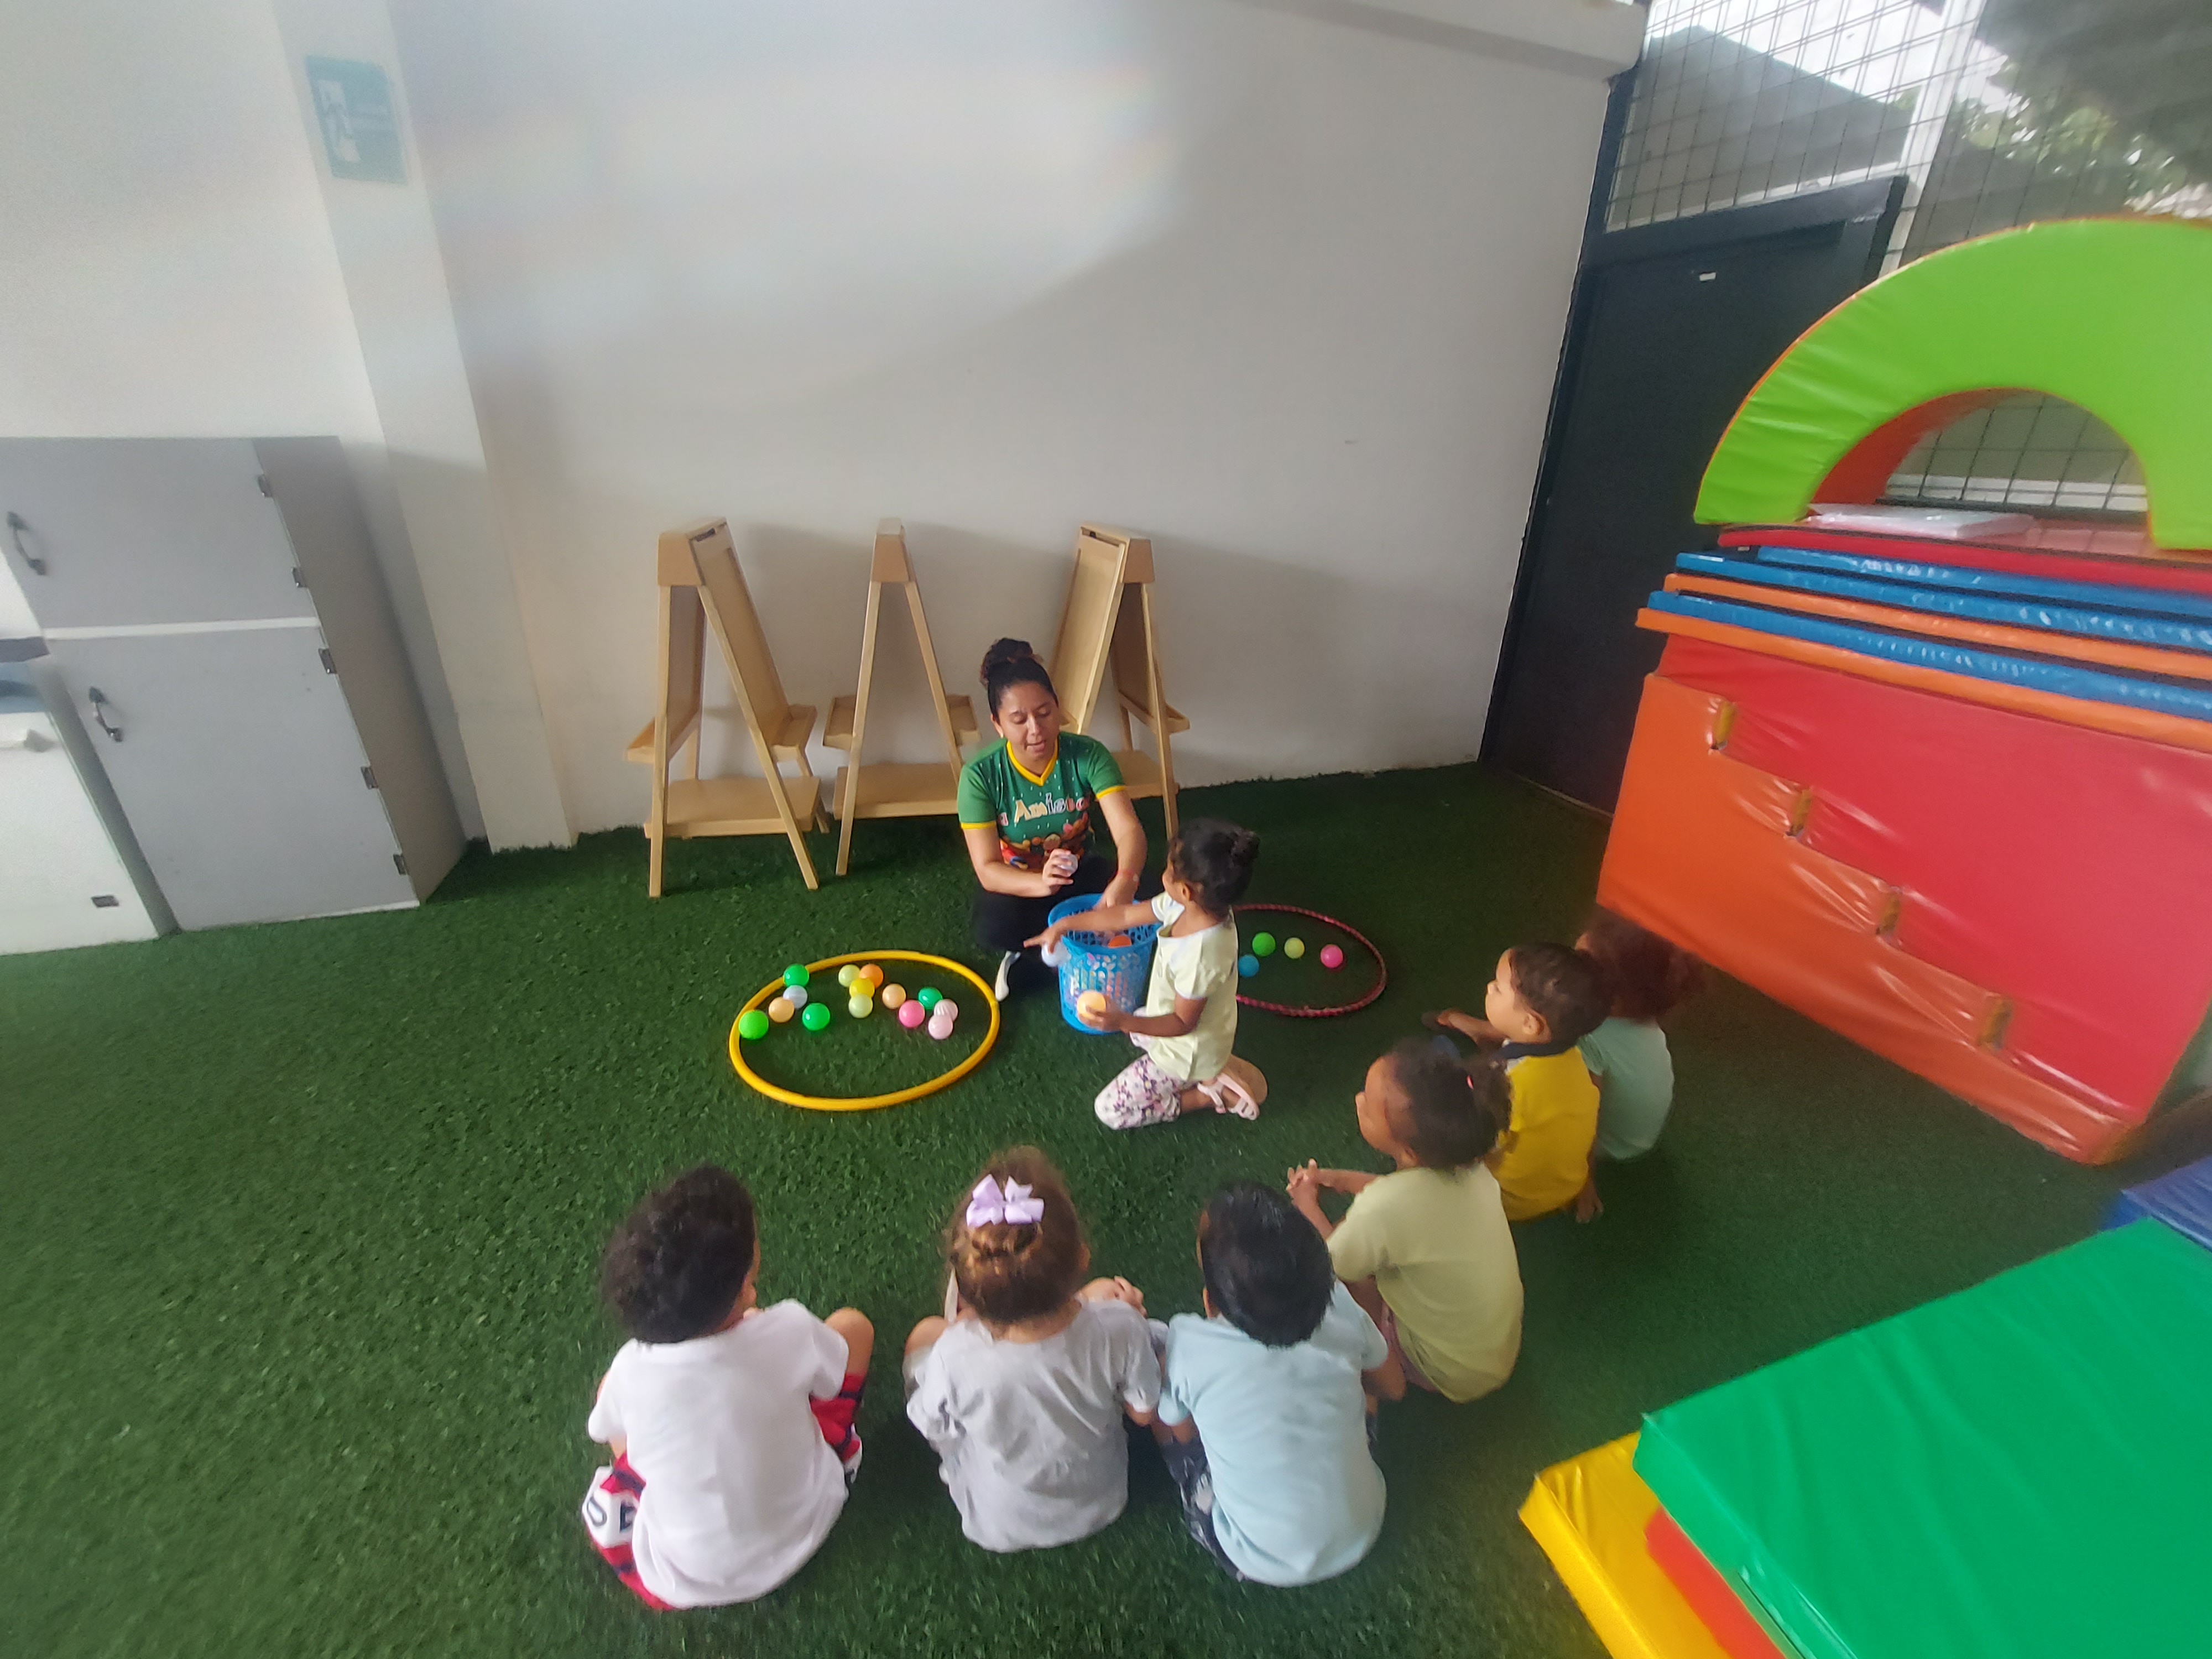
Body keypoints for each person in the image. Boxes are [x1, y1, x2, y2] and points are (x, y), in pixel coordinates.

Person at [581, 1166, 873, 1610]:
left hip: (686, 1577)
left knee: (615, 1403)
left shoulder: (630, 1373)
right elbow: (831, 1377)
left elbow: (604, 1429)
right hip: (812, 1516)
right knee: (853, 1327)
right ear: (747, 1287)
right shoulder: (789, 1329)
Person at [902, 1147, 1160, 1552]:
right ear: (1081, 1257)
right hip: (1104, 1500)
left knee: (925, 1334)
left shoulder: (954, 1355)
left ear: (969, 1291)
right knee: (1104, 1301)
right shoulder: (1121, 1328)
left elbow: (933, 1426)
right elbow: (1143, 1413)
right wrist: (1122, 1315)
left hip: (999, 1523)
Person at [1154, 1183, 1392, 1586]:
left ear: (1210, 1304)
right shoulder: (1340, 1305)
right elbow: (1393, 1387)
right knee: (1363, 1388)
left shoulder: (1187, 1346)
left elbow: (1181, 1428)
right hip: (1363, 1528)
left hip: (1252, 1555)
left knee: (1162, 1402)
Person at [1286, 1041, 1521, 1403]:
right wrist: (1342, 1180)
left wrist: (1306, 1205)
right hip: (1490, 1354)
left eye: (1368, 1108)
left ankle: (1382, 1375)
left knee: (1338, 1288)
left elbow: (1330, 1262)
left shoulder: (1384, 1208)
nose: (1358, 1101)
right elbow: (1410, 1203)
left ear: (1410, 1152)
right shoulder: (1474, 1170)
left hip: (1444, 1369)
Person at [1032, 817, 1267, 1128]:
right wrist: (1064, 925)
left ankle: (1207, 1094)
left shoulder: (1201, 955)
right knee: (1141, 1021)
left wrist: (1121, 1021)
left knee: (1110, 1110)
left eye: (1168, 870)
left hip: (1184, 1054)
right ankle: (1214, 1062)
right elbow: (1125, 916)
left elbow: (1182, 1023)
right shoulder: (1186, 906)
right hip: (1192, 1031)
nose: (1162, 875)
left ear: (1186, 890)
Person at [959, 638, 1151, 1000]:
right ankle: (1050, 952)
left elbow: (1128, 830)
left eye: (1045, 713)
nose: (1036, 729)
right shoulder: (980, 775)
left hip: (1081, 873)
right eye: (1019, 720)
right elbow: (987, 869)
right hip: (1022, 885)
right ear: (997, 724)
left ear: (1058, 707)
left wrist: (1126, 880)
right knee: (991, 924)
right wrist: (1041, 883)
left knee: (1151, 889)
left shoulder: (1088, 754)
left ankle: (1055, 953)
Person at [1427, 942, 1609, 1222]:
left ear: (1530, 1025)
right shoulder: (1576, 1062)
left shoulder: (1507, 1082)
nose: (1489, 987)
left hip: (1504, 1200)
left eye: (1499, 988)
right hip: (1566, 1187)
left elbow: (1476, 1143)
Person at [1572, 907, 1705, 1219]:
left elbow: (1584, 1115)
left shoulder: (1590, 1035)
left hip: (1612, 1146)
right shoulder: (1640, 1015)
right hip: (1641, 1138)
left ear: (1614, 999)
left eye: (1579, 965)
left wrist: (1583, 1181)